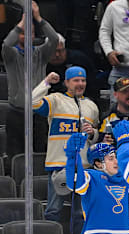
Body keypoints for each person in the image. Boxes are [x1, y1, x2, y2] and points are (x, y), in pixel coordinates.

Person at [32, 67, 99, 234]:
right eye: (76, 80)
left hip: (83, 166)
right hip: (59, 163)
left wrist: (92, 132)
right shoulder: (56, 100)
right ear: (67, 82)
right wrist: (46, 83)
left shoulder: (91, 106)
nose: (80, 84)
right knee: (54, 209)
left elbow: (94, 137)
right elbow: (31, 102)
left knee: (79, 212)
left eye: (83, 80)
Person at [2, 1, 59, 160]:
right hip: (17, 113)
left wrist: (38, 18)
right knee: (16, 155)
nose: (27, 36)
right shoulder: (11, 55)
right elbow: (6, 44)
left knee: (40, 155)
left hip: (38, 114)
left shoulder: (41, 54)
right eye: (23, 32)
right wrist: (22, 23)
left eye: (31, 32)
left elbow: (54, 39)